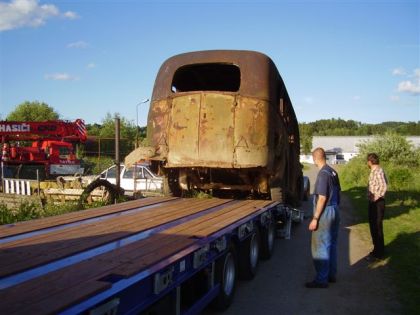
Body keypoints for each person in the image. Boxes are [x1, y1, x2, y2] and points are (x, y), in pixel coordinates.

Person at [306, 147, 341, 288]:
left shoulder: (322, 174)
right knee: (331, 245)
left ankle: (321, 280)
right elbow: (339, 193)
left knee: (320, 246)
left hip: (325, 212)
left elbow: (322, 198)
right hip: (334, 209)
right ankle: (331, 275)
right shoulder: (333, 172)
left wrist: (315, 219)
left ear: (315, 159)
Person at [366, 153, 387, 260]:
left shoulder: (378, 171)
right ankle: (377, 250)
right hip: (373, 203)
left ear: (370, 161)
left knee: (377, 227)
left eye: (367, 161)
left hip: (378, 203)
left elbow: (384, 186)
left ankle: (379, 253)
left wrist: (375, 198)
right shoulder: (374, 171)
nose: (367, 163)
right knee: (373, 227)